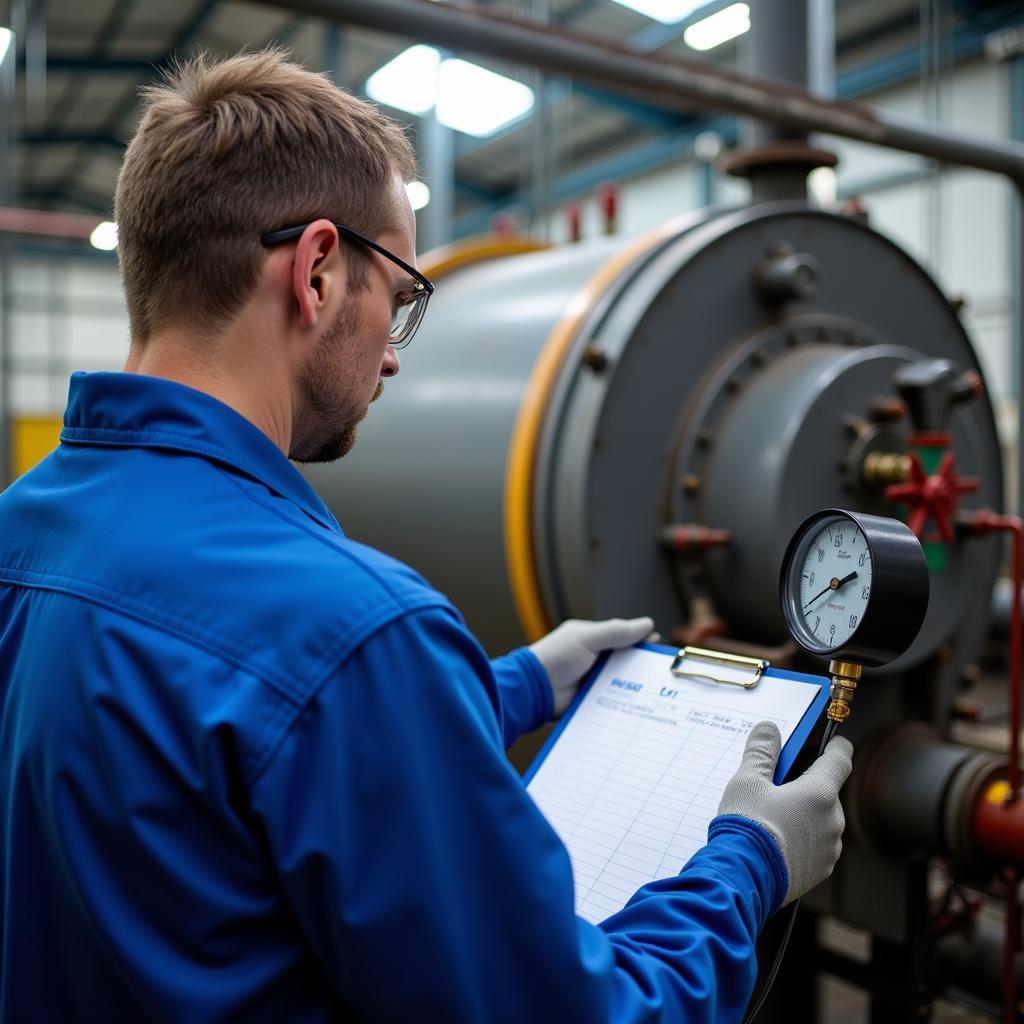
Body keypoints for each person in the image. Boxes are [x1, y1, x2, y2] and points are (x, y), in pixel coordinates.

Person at [0, 50, 852, 1023]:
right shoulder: (354, 631)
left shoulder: (21, 530)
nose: (395, 356)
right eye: (399, 295)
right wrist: (748, 862)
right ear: (317, 271)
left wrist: (513, 683)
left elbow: (213, 759)